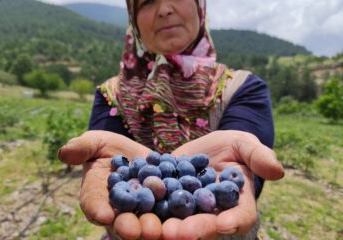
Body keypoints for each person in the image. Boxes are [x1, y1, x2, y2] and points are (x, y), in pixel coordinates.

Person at [58, 0, 285, 239]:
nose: (164, 9)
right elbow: (113, 168)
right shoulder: (110, 95)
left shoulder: (243, 87)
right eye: (146, 2)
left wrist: (239, 167)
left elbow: (245, 173)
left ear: (200, 8)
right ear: (133, 19)